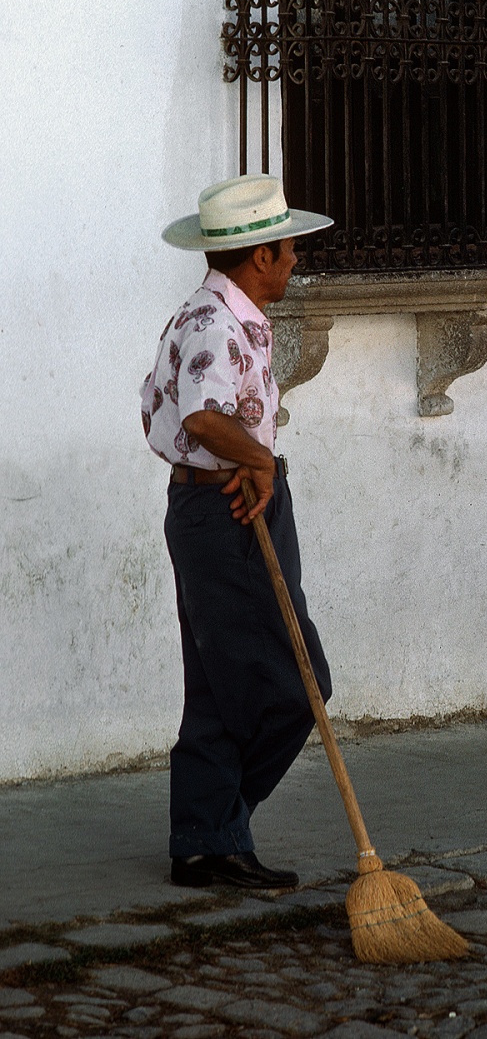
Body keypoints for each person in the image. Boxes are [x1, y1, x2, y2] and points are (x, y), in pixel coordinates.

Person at [142, 174, 334, 889]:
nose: (295, 262)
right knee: (294, 682)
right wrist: (259, 460)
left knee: (225, 684)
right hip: (225, 508)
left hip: (225, 501)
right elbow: (203, 417)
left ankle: (207, 840)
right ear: (262, 254)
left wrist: (259, 464)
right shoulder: (216, 324)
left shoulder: (220, 312)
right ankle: (213, 828)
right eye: (289, 251)